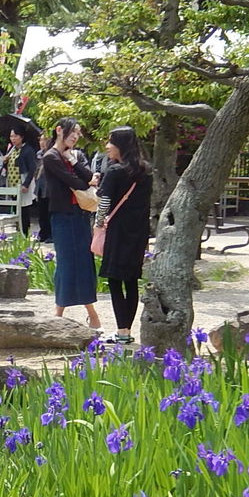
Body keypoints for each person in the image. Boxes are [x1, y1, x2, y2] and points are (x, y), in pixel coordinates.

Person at [42, 117, 102, 330]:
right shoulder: (50, 157)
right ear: (59, 130)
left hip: (80, 213)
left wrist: (74, 161)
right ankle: (59, 312)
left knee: (85, 261)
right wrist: (84, 178)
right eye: (72, 132)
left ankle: (92, 313)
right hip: (61, 214)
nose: (76, 136)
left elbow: (87, 176)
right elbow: (76, 181)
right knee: (67, 262)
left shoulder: (78, 155)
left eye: (78, 133)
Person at [97, 127, 153, 344]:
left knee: (114, 280)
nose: (107, 146)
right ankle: (126, 331)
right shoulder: (146, 171)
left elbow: (104, 202)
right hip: (138, 232)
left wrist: (98, 224)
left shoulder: (115, 171)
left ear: (120, 145)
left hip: (118, 231)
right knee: (130, 280)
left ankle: (122, 332)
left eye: (111, 142)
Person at [0, 127, 40, 236]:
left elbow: (32, 168)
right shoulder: (11, 149)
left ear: (21, 137)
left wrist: (26, 184)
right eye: (11, 136)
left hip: (22, 182)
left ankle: (25, 232)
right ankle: (18, 230)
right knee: (15, 207)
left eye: (15, 136)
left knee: (24, 209)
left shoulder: (28, 150)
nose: (13, 139)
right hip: (12, 183)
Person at [34, 132, 53, 242]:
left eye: (45, 140)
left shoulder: (52, 154)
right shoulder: (39, 154)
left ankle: (51, 235)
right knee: (41, 212)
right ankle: (43, 233)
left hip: (49, 187)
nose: (42, 143)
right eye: (41, 140)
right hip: (39, 186)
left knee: (49, 212)